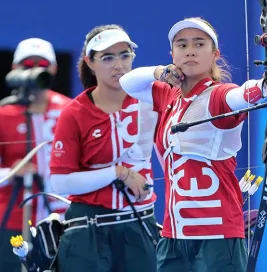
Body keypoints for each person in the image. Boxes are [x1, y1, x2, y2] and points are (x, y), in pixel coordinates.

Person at [119, 17, 267, 272]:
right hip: (174, 235)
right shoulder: (168, 93)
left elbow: (242, 95)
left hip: (217, 236)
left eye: (199, 44)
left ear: (215, 54)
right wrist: (159, 72)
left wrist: (266, 86)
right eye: (182, 44)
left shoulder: (220, 94)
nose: (189, 50)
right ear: (172, 53)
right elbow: (128, 82)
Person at [49, 24, 161, 272]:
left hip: (140, 224)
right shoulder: (73, 113)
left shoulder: (152, 101)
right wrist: (118, 172)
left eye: (124, 55)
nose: (118, 65)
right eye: (107, 57)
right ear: (90, 62)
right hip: (88, 230)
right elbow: (60, 183)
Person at [0, 38, 71, 272]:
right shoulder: (4, 113)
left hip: (61, 219)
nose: (35, 70)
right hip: (12, 218)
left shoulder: (70, 110)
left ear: (53, 69)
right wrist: (11, 171)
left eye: (42, 64)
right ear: (14, 70)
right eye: (28, 64)